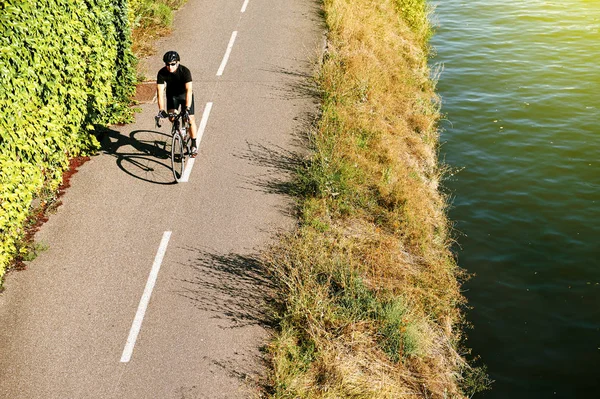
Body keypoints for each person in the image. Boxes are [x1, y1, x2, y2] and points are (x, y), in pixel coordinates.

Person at [156, 51, 198, 157]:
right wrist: (161, 110)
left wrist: (187, 109)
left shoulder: (185, 71)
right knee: (172, 117)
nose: (170, 67)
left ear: (178, 62)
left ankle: (194, 144)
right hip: (172, 96)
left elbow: (189, 90)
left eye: (172, 64)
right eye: (167, 64)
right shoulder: (161, 73)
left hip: (185, 96)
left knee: (190, 119)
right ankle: (178, 132)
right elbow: (160, 93)